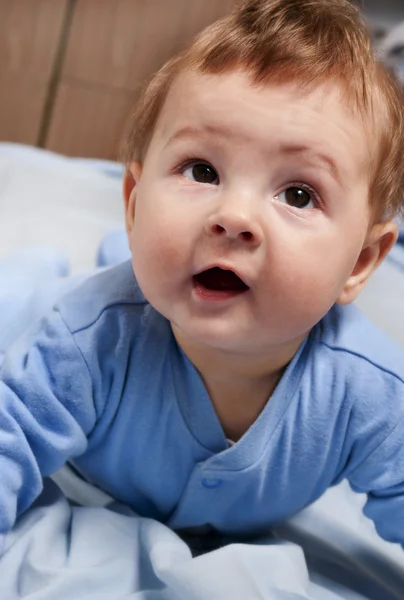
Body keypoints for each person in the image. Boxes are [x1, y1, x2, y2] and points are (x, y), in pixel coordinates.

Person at [1, 0, 404, 557]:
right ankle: (39, 270)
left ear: (360, 262)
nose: (234, 216)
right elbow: (10, 437)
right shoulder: (86, 339)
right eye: (203, 171)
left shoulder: (371, 396)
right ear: (135, 202)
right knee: (18, 302)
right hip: (52, 317)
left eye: (298, 194)